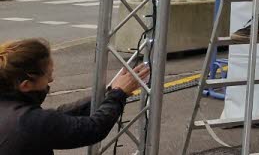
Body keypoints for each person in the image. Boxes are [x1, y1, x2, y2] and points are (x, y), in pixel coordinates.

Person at [0, 38, 150, 154]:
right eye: (48, 75)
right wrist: (118, 94)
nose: (51, 80)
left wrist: (110, 93)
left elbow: (56, 117)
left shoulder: (12, 110)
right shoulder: (28, 122)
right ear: (26, 85)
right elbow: (93, 128)